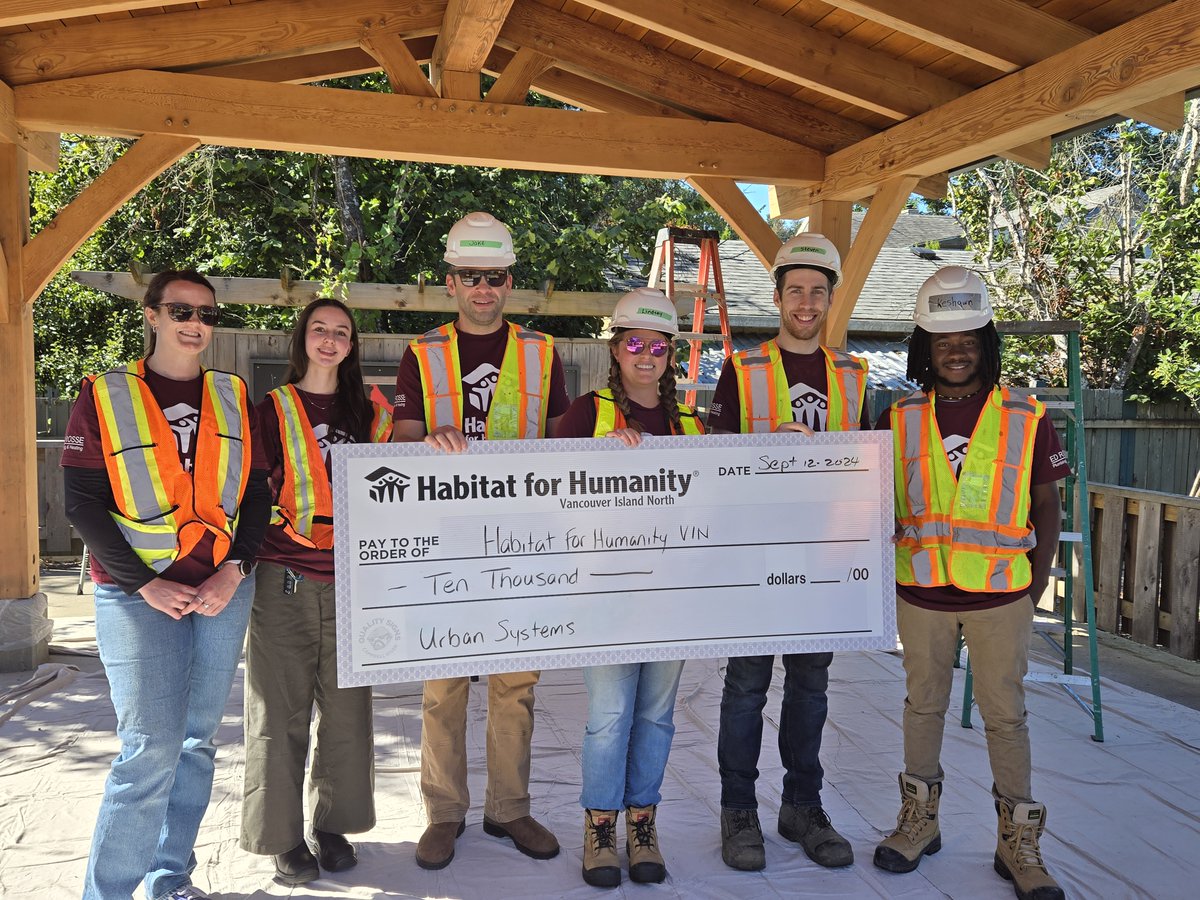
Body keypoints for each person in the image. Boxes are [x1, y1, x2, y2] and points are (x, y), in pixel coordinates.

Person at [62, 270, 270, 900]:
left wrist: (236, 569)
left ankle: (169, 878)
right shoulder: (102, 393)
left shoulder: (233, 393)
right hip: (136, 598)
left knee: (197, 741)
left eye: (206, 314)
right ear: (150, 315)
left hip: (221, 592)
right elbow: (81, 504)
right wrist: (143, 584)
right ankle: (110, 893)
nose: (195, 323)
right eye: (180, 310)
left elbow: (257, 495)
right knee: (150, 748)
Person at [873, 267, 1068, 900]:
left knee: (1005, 717)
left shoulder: (1025, 413)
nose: (955, 351)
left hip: (1000, 599)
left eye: (968, 338)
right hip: (923, 593)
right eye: (941, 339)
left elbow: (1047, 508)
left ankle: (1017, 842)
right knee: (922, 708)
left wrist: (1032, 592)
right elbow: (871, 500)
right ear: (923, 347)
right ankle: (918, 821)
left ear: (987, 341)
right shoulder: (897, 414)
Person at [391, 211, 570, 869]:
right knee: (443, 685)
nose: (483, 288)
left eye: (494, 277)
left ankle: (509, 809)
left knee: (514, 683)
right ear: (451, 282)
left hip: (522, 542)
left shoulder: (542, 352)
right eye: (471, 276)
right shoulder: (425, 352)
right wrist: (429, 445)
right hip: (447, 542)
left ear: (508, 281)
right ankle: (443, 813)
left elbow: (563, 445)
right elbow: (403, 442)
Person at [706, 233, 868, 872]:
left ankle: (802, 806)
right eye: (795, 290)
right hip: (756, 558)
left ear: (830, 300)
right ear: (777, 297)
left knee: (810, 686)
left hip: (823, 561)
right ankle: (738, 811)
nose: (806, 302)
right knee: (746, 686)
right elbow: (712, 464)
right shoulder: (742, 370)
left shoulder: (852, 376)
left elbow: (864, 464)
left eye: (817, 292)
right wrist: (766, 449)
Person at [240, 298, 393, 885]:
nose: (330, 341)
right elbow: (253, 492)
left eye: (342, 333)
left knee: (349, 710)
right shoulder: (271, 410)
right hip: (285, 577)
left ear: (352, 346)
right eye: (319, 330)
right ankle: (281, 836)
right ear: (302, 338)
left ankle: (333, 825)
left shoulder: (371, 412)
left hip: (355, 580)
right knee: (279, 711)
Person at [554, 287, 704, 888]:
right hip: (604, 595)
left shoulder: (691, 422)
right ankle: (599, 829)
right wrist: (596, 456)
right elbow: (546, 494)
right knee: (610, 716)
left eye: (659, 346)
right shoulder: (585, 413)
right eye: (635, 344)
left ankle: (643, 825)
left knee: (658, 716)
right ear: (615, 350)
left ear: (672, 355)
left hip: (669, 598)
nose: (647, 355)